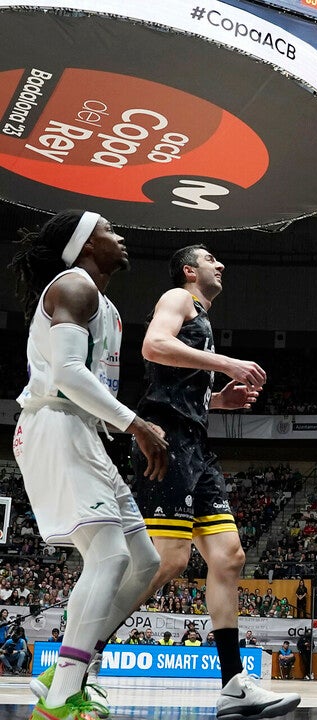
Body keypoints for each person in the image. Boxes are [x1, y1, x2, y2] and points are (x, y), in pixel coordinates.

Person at [128, 241, 299, 720]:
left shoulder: (201, 318)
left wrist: (217, 400)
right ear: (188, 270)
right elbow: (153, 346)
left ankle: (233, 686)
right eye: (208, 259)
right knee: (168, 562)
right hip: (165, 442)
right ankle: (77, 655)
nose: (220, 264)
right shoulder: (177, 300)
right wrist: (225, 363)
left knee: (229, 556)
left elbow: (179, 383)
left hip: (196, 445)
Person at [10, 210, 167, 720]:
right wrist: (136, 425)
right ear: (84, 245)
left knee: (144, 562)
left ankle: (65, 669)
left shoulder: (104, 304)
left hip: (81, 432)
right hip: (55, 423)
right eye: (108, 230)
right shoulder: (73, 286)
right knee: (109, 557)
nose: (119, 236)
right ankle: (60, 701)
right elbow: (70, 374)